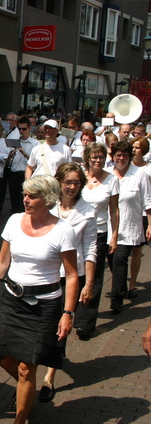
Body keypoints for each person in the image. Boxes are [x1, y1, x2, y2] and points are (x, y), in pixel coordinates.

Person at [0, 175, 78, 424]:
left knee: (26, 367)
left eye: (32, 195)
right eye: (24, 194)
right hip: (12, 301)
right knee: (4, 356)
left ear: (48, 199)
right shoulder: (14, 221)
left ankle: (21, 417)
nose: (25, 200)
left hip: (44, 307)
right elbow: (1, 261)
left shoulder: (63, 231)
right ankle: (25, 390)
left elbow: (72, 276)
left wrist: (68, 313)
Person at [39, 163, 97, 401]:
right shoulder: (47, 205)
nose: (72, 187)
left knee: (61, 324)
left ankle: (49, 377)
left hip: (70, 276)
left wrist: (89, 283)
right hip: (45, 272)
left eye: (77, 183)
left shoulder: (87, 211)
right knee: (41, 324)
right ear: (59, 181)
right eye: (68, 182)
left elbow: (91, 248)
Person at [75, 142, 119, 337]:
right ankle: (70, 311)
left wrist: (114, 235)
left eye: (101, 157)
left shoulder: (112, 180)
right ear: (87, 159)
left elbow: (114, 210)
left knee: (95, 276)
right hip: (76, 230)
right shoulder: (79, 178)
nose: (98, 160)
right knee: (75, 272)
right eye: (94, 157)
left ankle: (86, 322)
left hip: (99, 233)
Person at [108, 141, 151, 313]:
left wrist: (150, 225)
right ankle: (121, 287)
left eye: (125, 155)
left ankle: (116, 299)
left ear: (129, 157)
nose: (121, 158)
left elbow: (148, 200)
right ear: (113, 157)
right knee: (112, 262)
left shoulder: (139, 174)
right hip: (109, 227)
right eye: (118, 155)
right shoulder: (108, 174)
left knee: (120, 260)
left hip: (129, 225)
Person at [129, 136, 151, 296]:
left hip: (142, 213)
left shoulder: (148, 169)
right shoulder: (125, 166)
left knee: (137, 250)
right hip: (127, 211)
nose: (134, 150)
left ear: (143, 150)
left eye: (137, 147)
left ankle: (133, 284)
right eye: (133, 147)